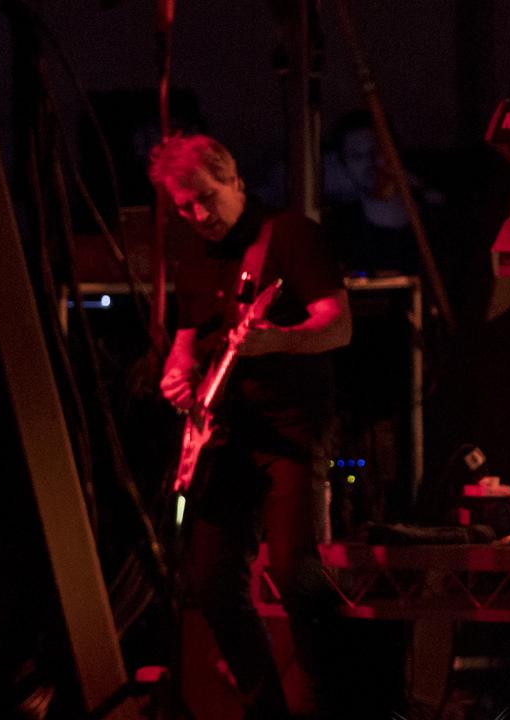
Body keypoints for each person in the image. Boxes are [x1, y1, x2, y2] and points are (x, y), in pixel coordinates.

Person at [150, 134, 353, 719]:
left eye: (206, 199)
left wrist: (272, 343)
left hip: (292, 431)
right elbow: (187, 341)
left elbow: (337, 326)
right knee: (210, 586)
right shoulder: (196, 254)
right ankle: (267, 711)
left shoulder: (289, 236)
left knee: (295, 573)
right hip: (225, 440)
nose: (198, 216)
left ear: (234, 178)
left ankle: (333, 704)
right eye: (184, 207)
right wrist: (178, 374)